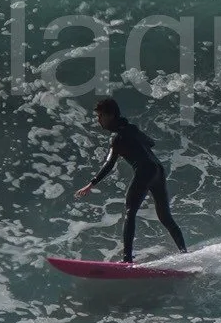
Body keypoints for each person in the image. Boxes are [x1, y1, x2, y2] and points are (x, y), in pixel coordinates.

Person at [75, 97, 186, 263]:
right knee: (165, 217)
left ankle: (127, 260)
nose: (98, 121)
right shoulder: (131, 129)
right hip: (158, 170)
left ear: (111, 115)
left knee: (130, 212)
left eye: (100, 116)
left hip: (145, 171)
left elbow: (109, 164)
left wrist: (92, 183)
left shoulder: (117, 138)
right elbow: (151, 143)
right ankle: (184, 252)